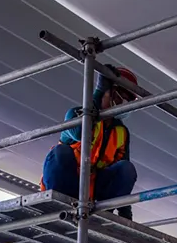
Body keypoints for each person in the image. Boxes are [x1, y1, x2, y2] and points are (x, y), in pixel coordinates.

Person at [40, 65, 139, 219]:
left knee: (127, 168)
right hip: (67, 183)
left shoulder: (121, 132)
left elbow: (123, 174)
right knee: (61, 153)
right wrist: (98, 95)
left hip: (93, 192)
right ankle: (58, 204)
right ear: (108, 91)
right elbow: (80, 132)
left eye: (129, 100)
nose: (124, 104)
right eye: (121, 97)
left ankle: (105, 212)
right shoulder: (76, 113)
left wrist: (125, 211)